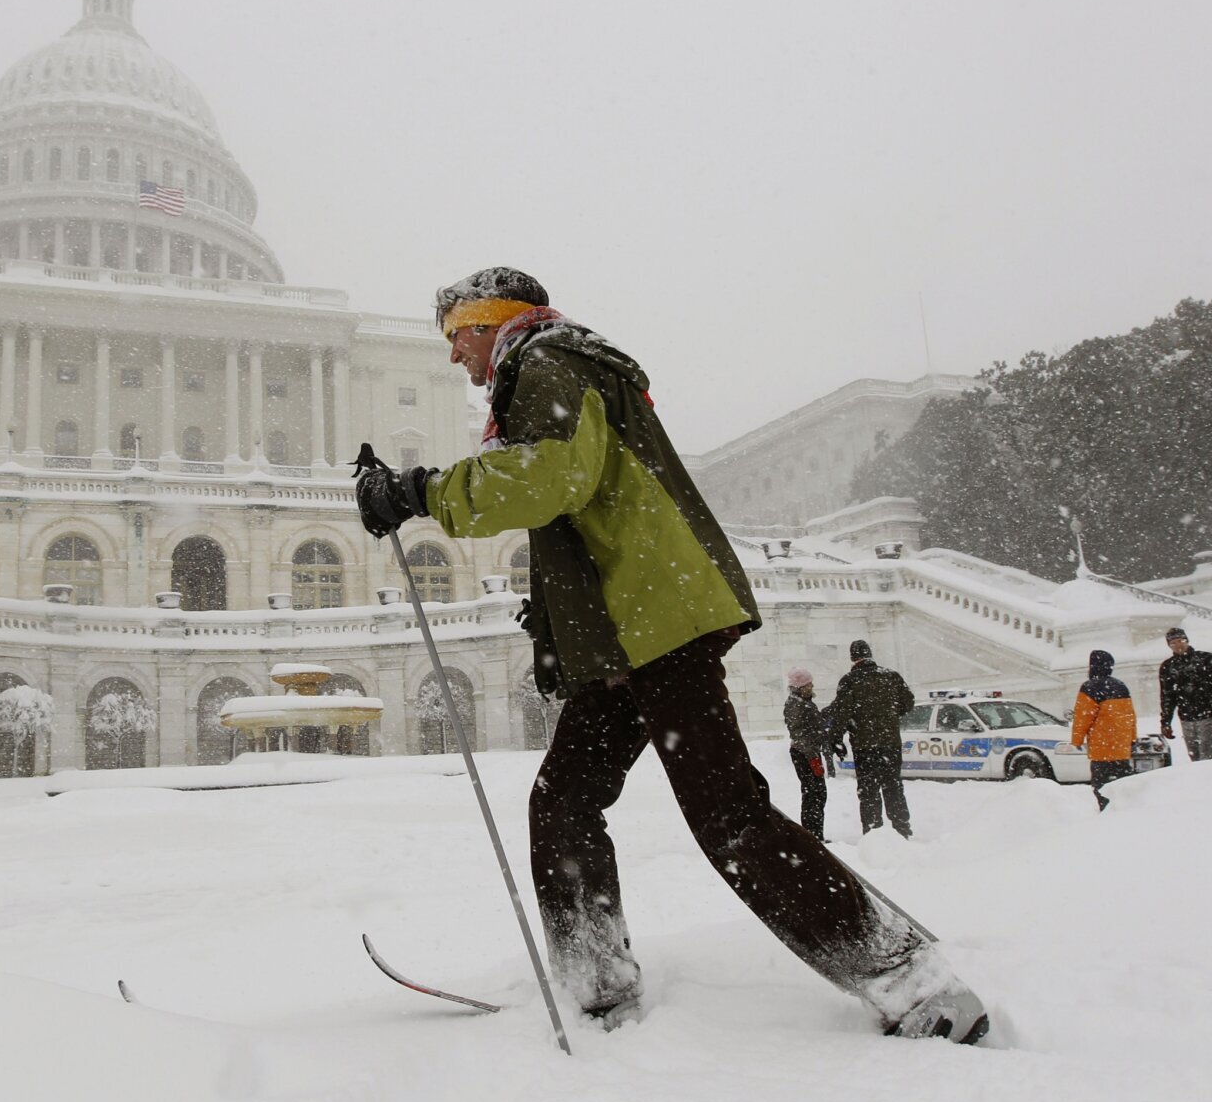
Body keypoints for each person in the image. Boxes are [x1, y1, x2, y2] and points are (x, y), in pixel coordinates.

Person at [353, 266, 987, 1043]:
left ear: (493, 323)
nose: (454, 356)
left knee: (728, 817)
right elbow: (590, 514)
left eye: (457, 335)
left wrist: (419, 491)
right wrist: (557, 631)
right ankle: (596, 984)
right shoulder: (557, 367)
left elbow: (550, 480)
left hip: (656, 624)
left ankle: (910, 980)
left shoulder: (548, 365)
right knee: (565, 801)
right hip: (630, 630)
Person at [826, 640, 915, 838]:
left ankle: (874, 831)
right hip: (890, 742)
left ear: (853, 657)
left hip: (864, 745)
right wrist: (889, 716)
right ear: (870, 654)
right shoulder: (891, 676)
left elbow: (842, 713)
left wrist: (836, 739)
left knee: (868, 790)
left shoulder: (849, 681)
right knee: (893, 785)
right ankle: (902, 828)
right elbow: (908, 702)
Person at [1158, 628, 1212, 761]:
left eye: (1180, 640)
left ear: (1187, 641)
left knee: (1209, 758)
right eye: (1173, 643)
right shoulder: (1168, 667)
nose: (1178, 645)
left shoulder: (1207, 659)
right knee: (1195, 759)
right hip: (1187, 718)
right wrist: (1166, 722)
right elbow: (1167, 697)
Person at [1071, 649, 1139, 810]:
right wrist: (1132, 738)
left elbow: (1083, 717)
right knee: (1123, 783)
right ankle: (1126, 810)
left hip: (1102, 748)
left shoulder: (1089, 687)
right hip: (1121, 747)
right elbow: (1131, 716)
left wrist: (1077, 739)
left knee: (1101, 785)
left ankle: (1107, 813)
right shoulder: (1121, 686)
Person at [782, 668, 830, 840]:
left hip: (808, 752)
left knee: (817, 794)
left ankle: (815, 834)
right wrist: (813, 758)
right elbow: (800, 734)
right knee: (813, 794)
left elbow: (811, 727)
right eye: (809, 683)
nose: (812, 686)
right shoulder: (796, 704)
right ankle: (812, 836)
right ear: (801, 686)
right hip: (804, 754)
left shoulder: (804, 702)